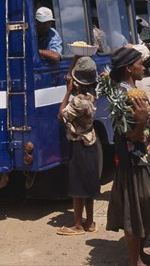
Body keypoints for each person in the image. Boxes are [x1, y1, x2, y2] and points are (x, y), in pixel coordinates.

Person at [105, 47, 150, 266]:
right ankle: (134, 260)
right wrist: (139, 120)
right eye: (140, 63)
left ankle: (140, 253)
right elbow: (133, 137)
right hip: (135, 164)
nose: (143, 67)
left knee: (147, 210)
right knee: (134, 213)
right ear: (129, 67)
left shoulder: (137, 91)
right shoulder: (121, 95)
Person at [56, 56, 100, 235]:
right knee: (88, 187)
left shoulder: (77, 101)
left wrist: (67, 92)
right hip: (92, 144)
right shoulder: (92, 95)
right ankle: (89, 223)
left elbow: (61, 116)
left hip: (79, 145)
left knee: (77, 188)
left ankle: (77, 225)